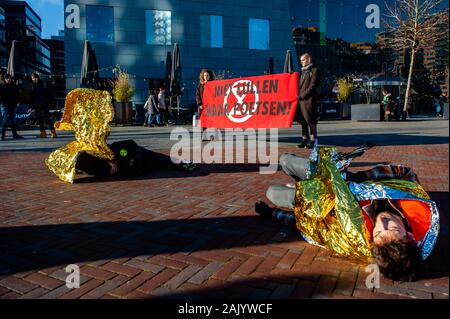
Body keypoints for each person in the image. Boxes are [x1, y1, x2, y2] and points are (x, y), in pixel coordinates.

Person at [255, 146, 439, 282]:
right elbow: (404, 172)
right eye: (391, 228)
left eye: (378, 234)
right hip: (337, 179)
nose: (381, 223)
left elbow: (317, 230)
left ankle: (302, 187)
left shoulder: (354, 237)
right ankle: (301, 179)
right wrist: (362, 177)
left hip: (318, 203)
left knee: (272, 193)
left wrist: (272, 213)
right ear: (409, 235)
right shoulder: (417, 204)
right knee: (286, 159)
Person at [76, 139, 195, 178]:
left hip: (131, 154)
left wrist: (114, 161)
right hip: (131, 161)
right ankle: (177, 163)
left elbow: (121, 150)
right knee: (156, 162)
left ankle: (180, 163)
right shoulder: (94, 167)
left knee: (157, 159)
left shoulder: (97, 154)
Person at [296, 53, 319, 149]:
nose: (302, 62)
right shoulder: (301, 72)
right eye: (301, 60)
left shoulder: (314, 70)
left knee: (311, 121)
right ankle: (304, 140)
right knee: (303, 121)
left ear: (309, 60)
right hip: (300, 100)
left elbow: (313, 86)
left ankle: (313, 141)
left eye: (303, 60)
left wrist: (303, 95)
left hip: (309, 100)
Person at [29, 72, 57, 138]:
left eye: (35, 78)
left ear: (37, 78)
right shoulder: (32, 85)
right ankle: (43, 133)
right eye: (33, 78)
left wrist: (49, 101)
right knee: (39, 119)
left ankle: (53, 132)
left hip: (45, 104)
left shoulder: (44, 83)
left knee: (47, 118)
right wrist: (31, 106)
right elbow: (31, 97)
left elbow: (49, 93)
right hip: (37, 105)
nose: (34, 80)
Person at [0, 74, 23, 140]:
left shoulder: (14, 86)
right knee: (4, 121)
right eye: (7, 78)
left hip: (13, 105)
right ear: (5, 79)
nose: (8, 79)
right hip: (4, 106)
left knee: (13, 121)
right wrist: (2, 102)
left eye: (9, 78)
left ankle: (15, 135)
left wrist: (18, 101)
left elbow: (18, 95)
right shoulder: (1, 86)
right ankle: (2, 136)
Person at [195, 69, 215, 141]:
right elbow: (197, 95)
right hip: (202, 106)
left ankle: (211, 135)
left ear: (210, 76)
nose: (206, 77)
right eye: (205, 75)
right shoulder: (200, 85)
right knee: (203, 121)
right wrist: (199, 104)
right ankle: (204, 136)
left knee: (211, 121)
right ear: (203, 76)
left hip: (210, 106)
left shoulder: (213, 84)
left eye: (207, 75)